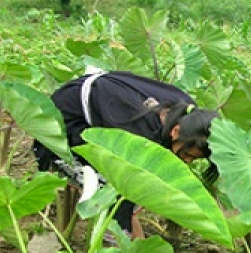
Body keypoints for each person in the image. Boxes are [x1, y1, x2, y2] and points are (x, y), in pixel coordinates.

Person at [33, 70, 219, 239]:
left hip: (98, 109)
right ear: (175, 131)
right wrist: (126, 235)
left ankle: (135, 240)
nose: (186, 161)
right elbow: (124, 182)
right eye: (188, 155)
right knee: (116, 189)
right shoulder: (140, 133)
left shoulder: (189, 115)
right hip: (60, 125)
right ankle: (126, 241)